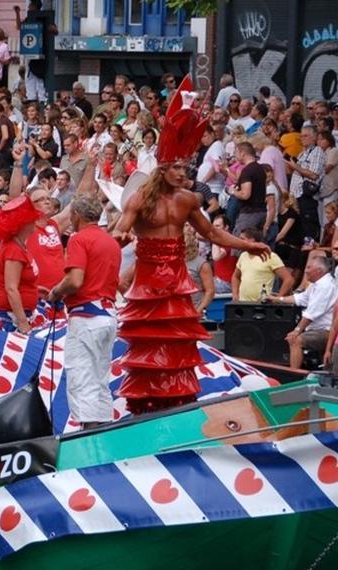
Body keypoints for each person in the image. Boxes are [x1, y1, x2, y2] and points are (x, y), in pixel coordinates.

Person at [112, 77, 270, 414]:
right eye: (178, 168)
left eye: (187, 167)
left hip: (177, 279)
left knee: (177, 345)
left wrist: (247, 244)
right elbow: (121, 227)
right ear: (163, 168)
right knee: (149, 345)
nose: (185, 173)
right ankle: (145, 405)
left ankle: (177, 401)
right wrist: (123, 236)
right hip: (148, 278)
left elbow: (212, 235)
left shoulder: (187, 200)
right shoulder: (140, 198)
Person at [48, 193, 121, 429]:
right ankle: (102, 430)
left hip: (86, 315)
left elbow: (75, 281)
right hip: (108, 314)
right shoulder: (110, 241)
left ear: (76, 215)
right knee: (100, 378)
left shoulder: (79, 239)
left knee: (81, 377)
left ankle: (88, 435)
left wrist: (56, 292)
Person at [266, 255, 338, 369]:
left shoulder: (326, 286)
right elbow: (300, 298)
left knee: (296, 340)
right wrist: (277, 299)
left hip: (326, 330)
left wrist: (297, 331)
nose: (305, 270)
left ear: (319, 271)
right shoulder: (317, 284)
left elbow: (311, 314)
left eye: (309, 267)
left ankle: (293, 374)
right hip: (315, 329)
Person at [0, 196, 42, 333]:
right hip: (12, 319)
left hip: (18, 315)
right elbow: (11, 288)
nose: (35, 223)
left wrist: (36, 289)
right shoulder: (13, 250)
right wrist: (23, 322)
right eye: (32, 220)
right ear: (23, 224)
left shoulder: (17, 246)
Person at [230, 228, 294, 302]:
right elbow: (235, 276)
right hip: (243, 304)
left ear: (252, 240)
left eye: (242, 239)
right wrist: (235, 295)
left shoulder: (270, 255)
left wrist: (277, 299)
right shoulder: (243, 255)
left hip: (263, 305)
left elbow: (289, 279)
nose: (240, 242)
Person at [227, 142, 268, 238]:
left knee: (240, 245)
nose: (235, 156)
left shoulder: (247, 170)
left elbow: (245, 194)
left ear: (242, 153)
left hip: (249, 213)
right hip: (262, 211)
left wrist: (232, 191)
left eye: (236, 153)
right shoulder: (260, 169)